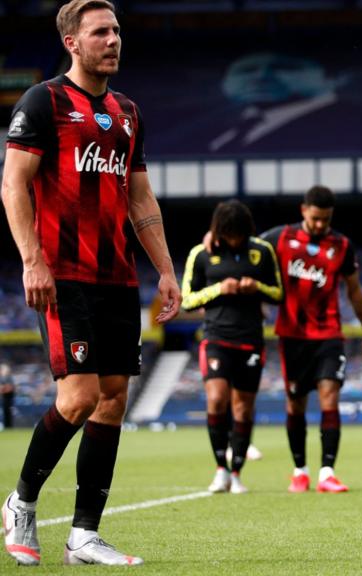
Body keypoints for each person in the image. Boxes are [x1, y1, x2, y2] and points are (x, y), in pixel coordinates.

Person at [1, 0, 181, 566]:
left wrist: (168, 269)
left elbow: (139, 196)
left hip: (117, 277)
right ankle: (21, 502)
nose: (114, 40)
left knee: (112, 402)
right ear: (73, 43)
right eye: (101, 32)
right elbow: (13, 185)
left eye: (117, 30)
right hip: (63, 275)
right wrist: (32, 260)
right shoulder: (44, 101)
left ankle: (83, 534)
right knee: (78, 397)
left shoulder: (127, 112)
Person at [260, 185, 362, 493]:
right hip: (293, 336)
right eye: (315, 218)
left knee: (330, 397)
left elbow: (354, 291)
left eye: (326, 219)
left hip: (329, 335)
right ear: (303, 211)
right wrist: (212, 240)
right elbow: (247, 251)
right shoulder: (280, 238)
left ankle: (327, 472)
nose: (321, 225)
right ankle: (300, 470)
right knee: (295, 405)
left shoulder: (341, 245)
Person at [182, 200, 282, 495]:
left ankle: (237, 472)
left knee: (243, 408)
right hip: (216, 337)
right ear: (221, 231)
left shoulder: (262, 252)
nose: (235, 239)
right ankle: (220, 470)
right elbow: (187, 299)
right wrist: (219, 289)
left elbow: (278, 293)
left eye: (240, 233)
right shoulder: (201, 254)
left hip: (251, 339)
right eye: (230, 234)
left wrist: (257, 288)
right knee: (216, 399)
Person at [1, 363, 13, 430]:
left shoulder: (8, 378)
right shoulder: (3, 378)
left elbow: (10, 387)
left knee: (8, 413)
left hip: (8, 399)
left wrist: (2, 389)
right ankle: (7, 427)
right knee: (6, 413)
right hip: (5, 399)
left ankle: (9, 427)